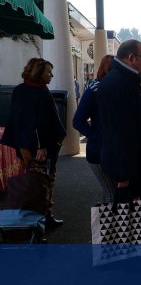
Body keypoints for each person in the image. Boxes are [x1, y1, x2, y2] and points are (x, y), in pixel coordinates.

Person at [1, 58, 67, 227]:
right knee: (40, 182)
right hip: (37, 148)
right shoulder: (34, 92)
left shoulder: (27, 90)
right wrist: (40, 146)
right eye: (48, 72)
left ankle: (40, 216)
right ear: (38, 72)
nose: (51, 75)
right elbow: (32, 122)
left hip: (32, 145)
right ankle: (40, 219)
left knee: (39, 181)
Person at [97, 39, 141, 201]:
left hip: (136, 167)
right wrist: (123, 176)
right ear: (132, 58)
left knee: (139, 218)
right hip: (130, 172)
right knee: (133, 220)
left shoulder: (127, 80)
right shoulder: (118, 83)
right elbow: (119, 132)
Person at [73, 54, 115, 205]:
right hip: (98, 151)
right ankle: (111, 227)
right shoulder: (95, 89)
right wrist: (96, 137)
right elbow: (78, 120)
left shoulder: (113, 89)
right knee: (112, 195)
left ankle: (109, 226)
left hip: (109, 150)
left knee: (110, 193)